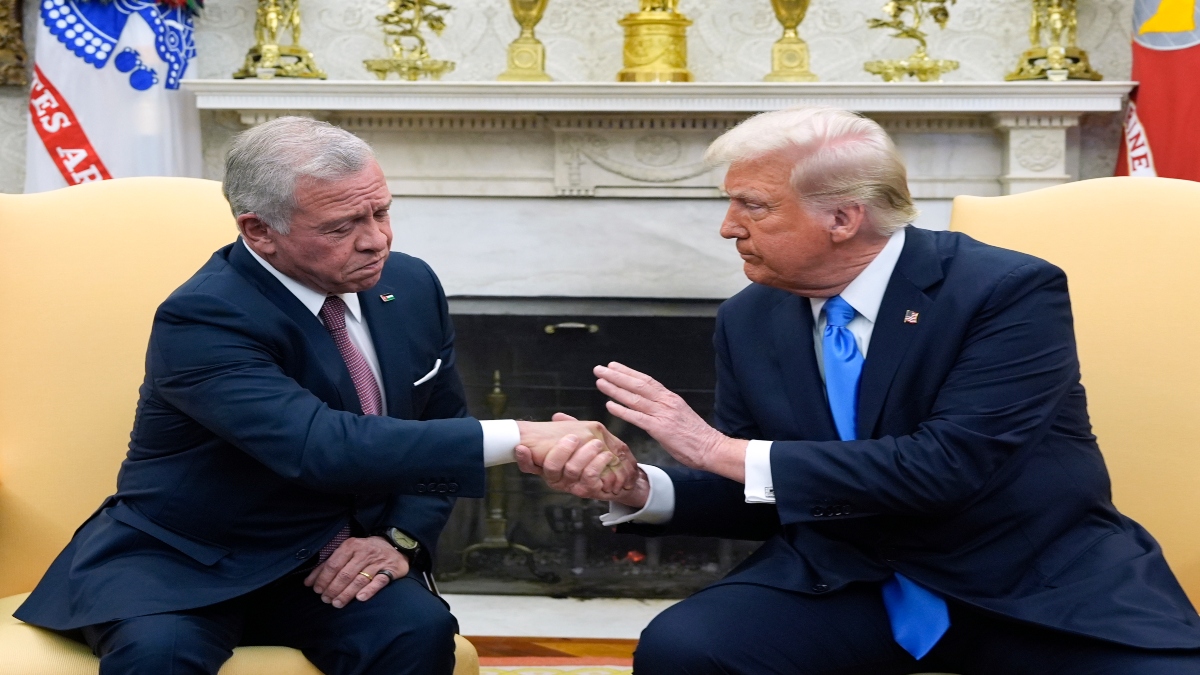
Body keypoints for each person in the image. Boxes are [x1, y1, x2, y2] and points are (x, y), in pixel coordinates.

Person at [520, 107, 1200, 674]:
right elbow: (758, 488)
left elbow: (944, 466)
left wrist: (711, 445)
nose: (728, 226)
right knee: (684, 651)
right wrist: (638, 485)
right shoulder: (751, 315)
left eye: (752, 205)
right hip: (847, 577)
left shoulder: (1006, 292)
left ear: (843, 218)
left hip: (1023, 578)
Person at [15, 116, 634, 675]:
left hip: (328, 559)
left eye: (382, 212)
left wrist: (398, 540)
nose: (375, 241)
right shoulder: (205, 316)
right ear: (259, 231)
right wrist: (524, 436)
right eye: (342, 226)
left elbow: (439, 421)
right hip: (186, 561)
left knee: (416, 632)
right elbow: (321, 445)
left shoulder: (410, 284)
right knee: (160, 656)